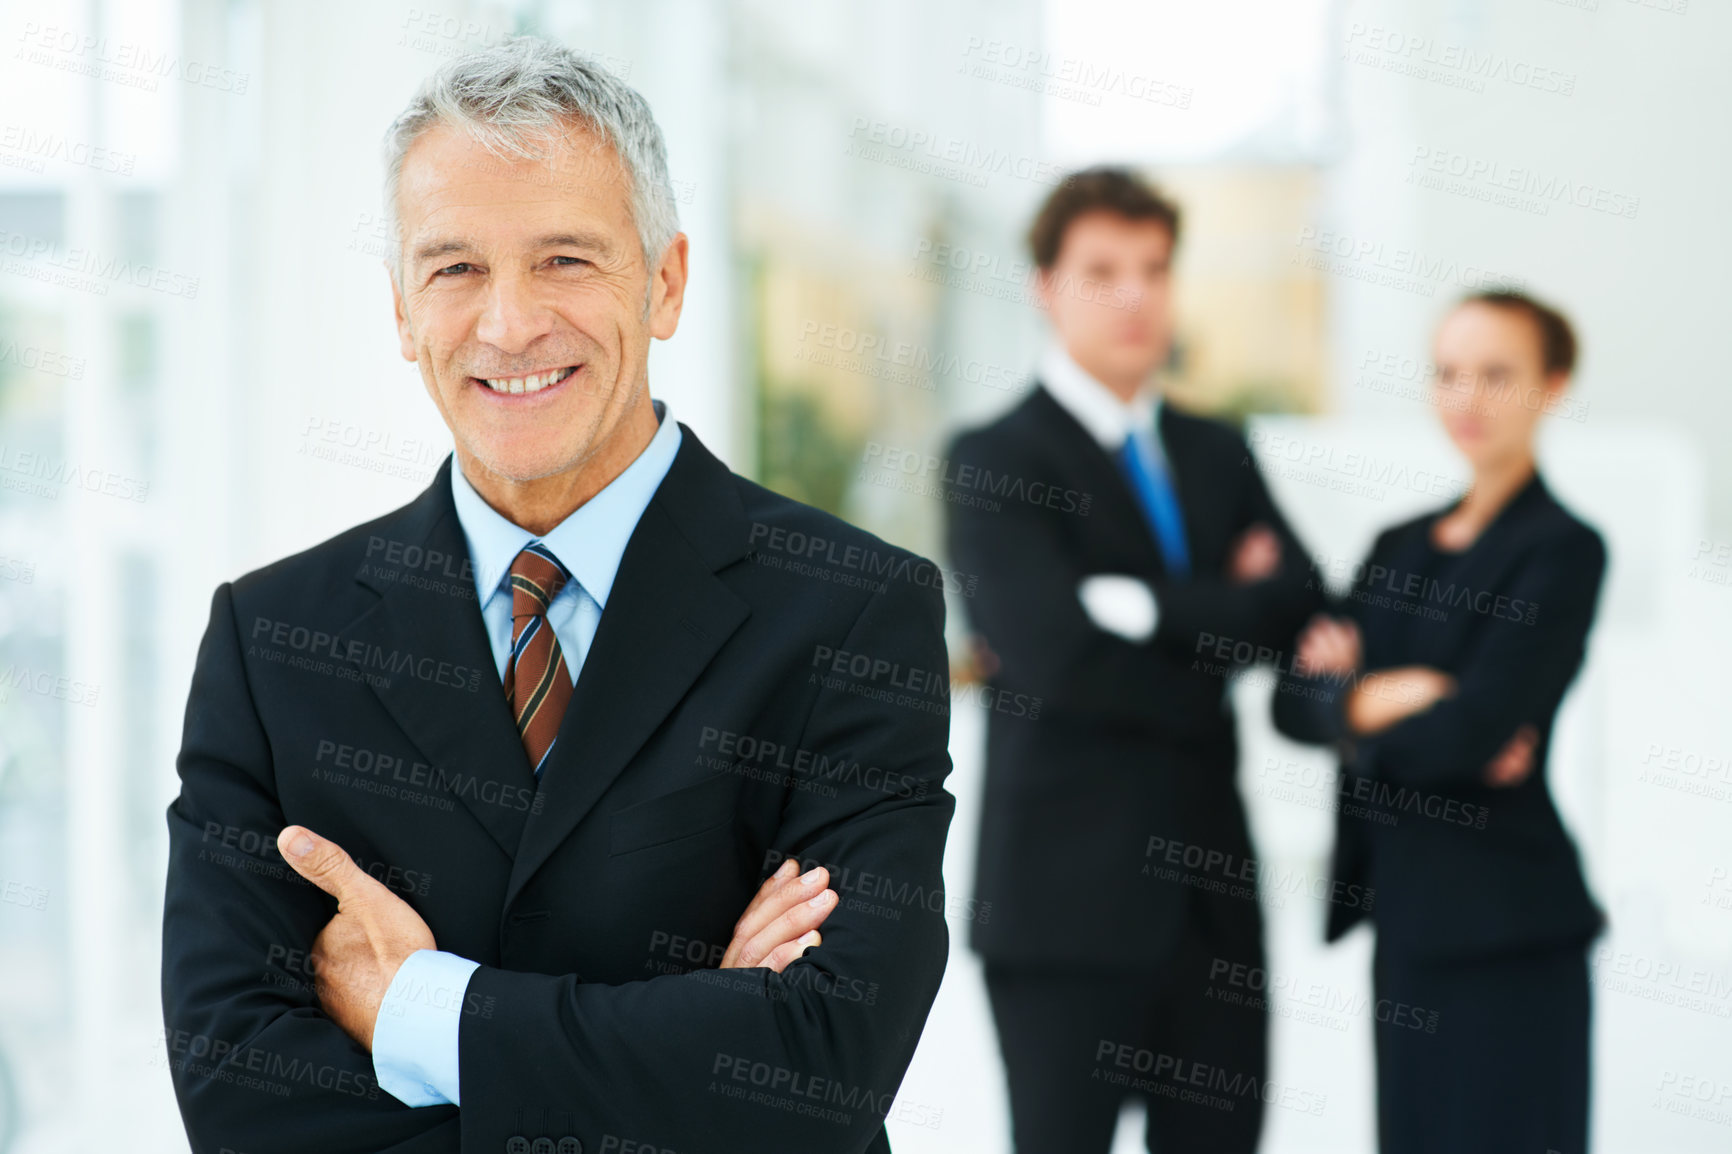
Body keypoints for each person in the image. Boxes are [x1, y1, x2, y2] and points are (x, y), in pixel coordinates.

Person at [160, 37, 954, 1154]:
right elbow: (244, 1102)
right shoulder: (272, 639)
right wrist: (700, 1040)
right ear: (400, 310)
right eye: (455, 268)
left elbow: (819, 1067)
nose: (509, 324)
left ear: (665, 280)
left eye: (566, 260)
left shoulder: (853, 611)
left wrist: (423, 1008)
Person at [943, 168, 1324, 1154]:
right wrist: (1225, 626)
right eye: (1102, 270)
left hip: (1213, 918)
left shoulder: (1214, 447)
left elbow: (1299, 605)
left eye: (1153, 269)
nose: (1133, 295)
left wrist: (1147, 605)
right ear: (1045, 285)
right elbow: (1055, 658)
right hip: (1062, 917)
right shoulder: (996, 457)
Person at [1273, 290, 1607, 1154]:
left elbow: (1475, 732)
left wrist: (1358, 708)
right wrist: (1389, 697)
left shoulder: (1562, 548)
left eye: (1498, 374)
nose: (1468, 397)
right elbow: (1288, 702)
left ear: (1553, 385)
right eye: (1450, 373)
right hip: (1408, 924)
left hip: (1510, 932)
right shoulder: (1397, 547)